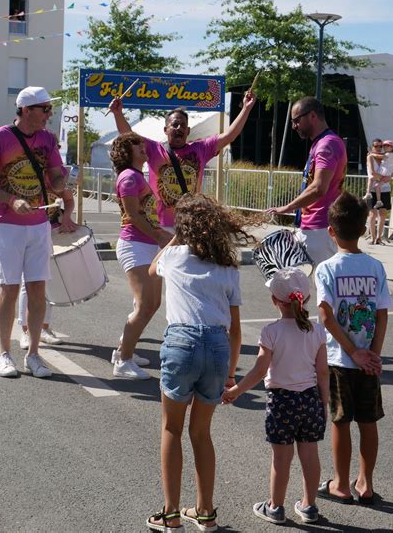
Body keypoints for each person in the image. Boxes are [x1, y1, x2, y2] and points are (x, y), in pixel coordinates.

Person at [146, 193, 254, 532]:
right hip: (218, 346)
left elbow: (152, 268)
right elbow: (236, 329)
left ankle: (171, 513)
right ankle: (205, 513)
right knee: (201, 433)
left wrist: (177, 235)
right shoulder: (227, 268)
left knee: (171, 429)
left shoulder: (175, 257)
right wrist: (230, 375)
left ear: (184, 229)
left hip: (181, 341)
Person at [222, 268, 329, 525]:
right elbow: (323, 372)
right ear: (305, 300)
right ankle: (309, 506)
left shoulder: (271, 332)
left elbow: (260, 371)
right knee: (310, 455)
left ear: (275, 301)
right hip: (310, 400)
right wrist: (323, 403)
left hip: (282, 402)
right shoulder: (316, 331)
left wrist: (235, 390)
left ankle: (275, 507)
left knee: (281, 459)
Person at [0, 86, 67, 378]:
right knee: (10, 288)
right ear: (26, 110)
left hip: (39, 223)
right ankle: (4, 354)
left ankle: (34, 354)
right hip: (6, 223)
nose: (49, 114)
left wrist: (63, 180)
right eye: (45, 109)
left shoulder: (48, 139)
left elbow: (56, 178)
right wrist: (11, 200)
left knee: (38, 289)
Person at [315, 191, 392, 505]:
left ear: (331, 231)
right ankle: (366, 484)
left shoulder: (327, 269)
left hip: (340, 359)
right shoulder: (376, 267)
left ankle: (342, 484)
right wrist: (372, 353)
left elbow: (324, 315)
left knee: (341, 420)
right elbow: (382, 312)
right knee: (368, 421)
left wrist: (352, 353)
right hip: (367, 361)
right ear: (364, 230)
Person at [109, 89, 256, 228]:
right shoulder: (155, 149)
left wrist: (246, 108)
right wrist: (117, 114)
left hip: (189, 223)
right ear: (166, 130)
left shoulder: (201, 149)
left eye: (183, 125)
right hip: (159, 224)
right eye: (175, 124)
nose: (179, 128)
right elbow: (129, 136)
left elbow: (230, 135)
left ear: (188, 131)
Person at [110, 132, 172, 380]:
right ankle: (123, 362)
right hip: (134, 245)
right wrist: (159, 235)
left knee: (152, 304)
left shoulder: (136, 176)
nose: (143, 148)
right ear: (127, 151)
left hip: (146, 245)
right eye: (138, 145)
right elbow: (134, 216)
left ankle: (124, 351)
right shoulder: (128, 178)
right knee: (145, 303)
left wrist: (157, 237)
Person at [267, 96, 347, 267]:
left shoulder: (327, 145)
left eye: (296, 120)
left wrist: (287, 207)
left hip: (320, 229)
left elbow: (319, 187)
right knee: (300, 284)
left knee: (324, 286)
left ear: (312, 115)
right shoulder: (320, 144)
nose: (294, 126)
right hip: (314, 227)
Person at [18, 185, 78, 349]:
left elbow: (69, 199)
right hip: (30, 231)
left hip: (52, 231)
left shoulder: (56, 177)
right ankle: (25, 331)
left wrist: (66, 216)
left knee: (48, 279)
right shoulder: (28, 178)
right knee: (27, 283)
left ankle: (44, 328)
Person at [363, 139, 393, 244]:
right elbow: (372, 172)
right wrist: (384, 178)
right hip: (372, 189)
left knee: (383, 214)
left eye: (381, 146)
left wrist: (389, 177)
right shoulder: (370, 157)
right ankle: (372, 237)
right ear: (372, 147)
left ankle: (379, 238)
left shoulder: (386, 157)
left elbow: (390, 172)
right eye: (376, 146)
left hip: (385, 189)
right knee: (372, 215)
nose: (379, 148)